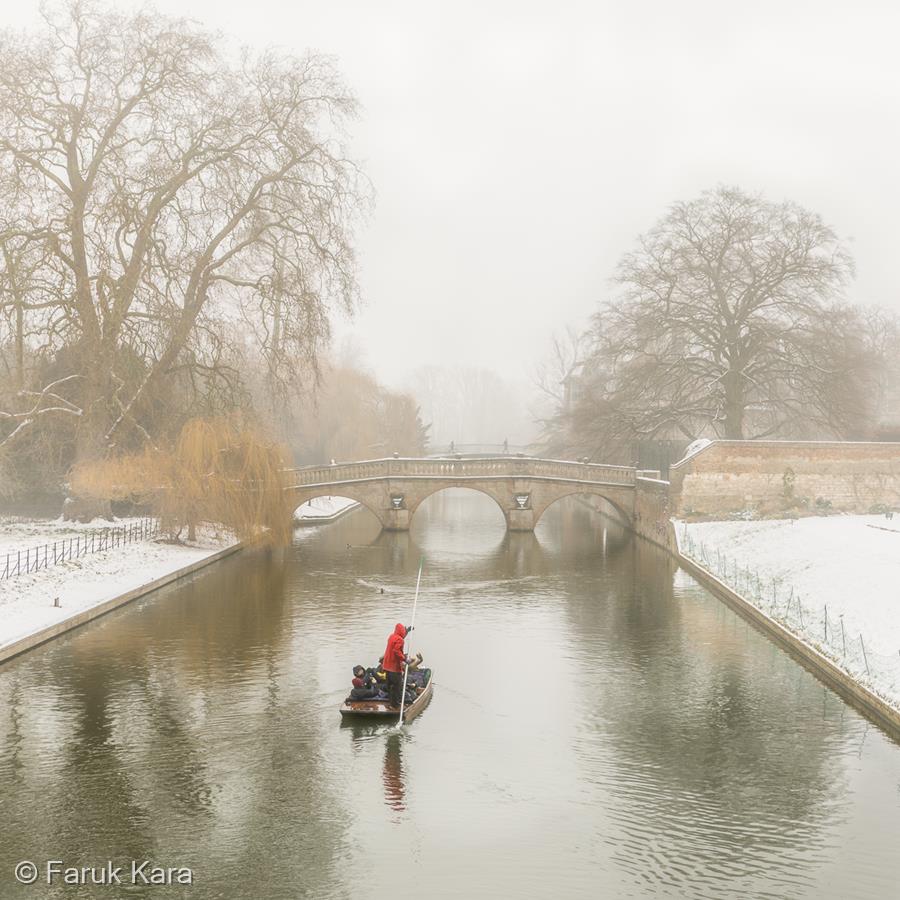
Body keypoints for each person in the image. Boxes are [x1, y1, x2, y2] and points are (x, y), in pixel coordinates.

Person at [382, 623, 412, 708]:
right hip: (394, 668)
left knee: (390, 685)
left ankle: (391, 703)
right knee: (397, 686)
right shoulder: (400, 640)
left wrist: (407, 631)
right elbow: (396, 651)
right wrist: (405, 659)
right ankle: (395, 705)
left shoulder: (391, 636)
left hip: (387, 666)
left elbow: (398, 638)